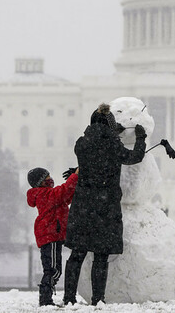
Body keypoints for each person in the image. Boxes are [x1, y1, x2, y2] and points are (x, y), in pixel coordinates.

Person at [62, 103, 147, 306]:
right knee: (101, 256)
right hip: (105, 207)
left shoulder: (81, 144)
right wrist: (140, 138)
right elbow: (134, 157)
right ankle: (97, 299)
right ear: (111, 126)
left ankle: (68, 297)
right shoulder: (112, 145)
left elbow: (93, 157)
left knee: (77, 254)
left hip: (83, 206)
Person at [27, 165, 79, 307]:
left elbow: (65, 197)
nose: (51, 179)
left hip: (51, 236)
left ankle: (46, 298)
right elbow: (62, 193)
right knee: (53, 270)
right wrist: (74, 177)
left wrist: (72, 180)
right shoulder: (43, 194)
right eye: (47, 177)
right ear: (41, 182)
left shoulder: (47, 194)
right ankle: (45, 299)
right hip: (51, 236)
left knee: (52, 269)